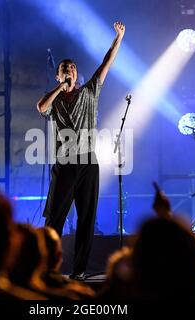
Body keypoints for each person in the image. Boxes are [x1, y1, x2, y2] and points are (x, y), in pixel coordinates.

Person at [36, 22, 125, 280]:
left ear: (77, 75)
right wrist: (59, 88)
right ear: (58, 75)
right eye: (65, 69)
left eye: (73, 68)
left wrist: (118, 38)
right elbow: (41, 108)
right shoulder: (53, 98)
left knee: (86, 219)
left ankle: (80, 272)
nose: (70, 71)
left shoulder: (90, 91)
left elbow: (107, 62)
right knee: (55, 219)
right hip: (64, 163)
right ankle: (46, 270)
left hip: (88, 163)